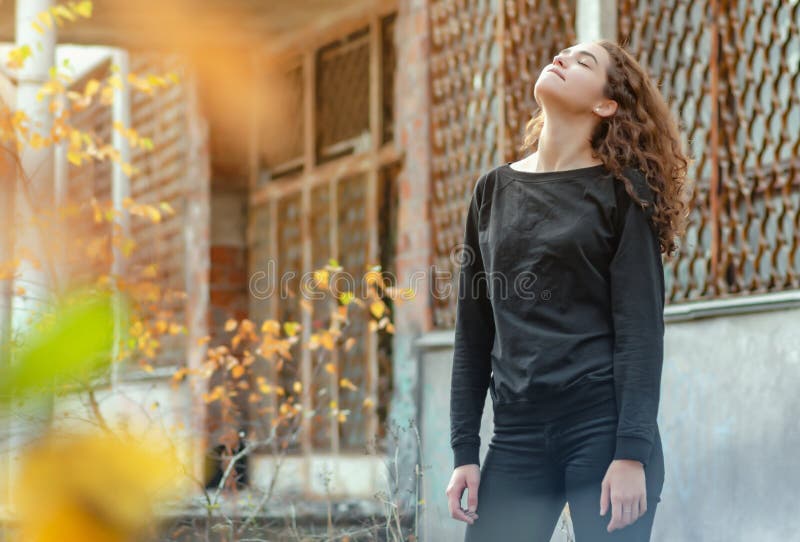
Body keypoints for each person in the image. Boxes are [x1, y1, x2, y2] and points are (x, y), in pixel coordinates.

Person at [445, 39, 692, 541]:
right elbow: (473, 334)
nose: (559, 59)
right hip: (516, 435)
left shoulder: (621, 194)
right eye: (561, 53)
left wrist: (631, 454)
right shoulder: (491, 191)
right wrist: (464, 452)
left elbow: (641, 334)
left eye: (583, 62)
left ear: (606, 105)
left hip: (601, 430)